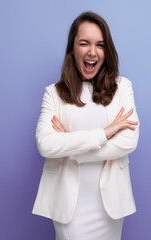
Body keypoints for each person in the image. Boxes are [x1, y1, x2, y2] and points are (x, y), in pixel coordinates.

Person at [32, 11, 139, 240]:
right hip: (68, 207)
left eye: (100, 45)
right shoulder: (54, 93)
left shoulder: (122, 87)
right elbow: (45, 144)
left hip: (110, 207)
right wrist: (106, 133)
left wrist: (71, 147)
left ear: (106, 51)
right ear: (73, 48)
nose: (92, 52)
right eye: (84, 43)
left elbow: (129, 140)